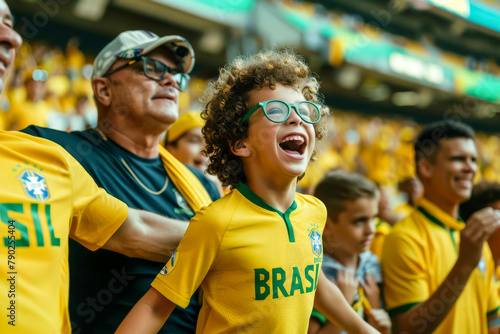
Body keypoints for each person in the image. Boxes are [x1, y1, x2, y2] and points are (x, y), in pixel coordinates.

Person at [116, 49, 379, 333]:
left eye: (304, 111)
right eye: (276, 111)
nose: (296, 119)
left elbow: (315, 284)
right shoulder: (216, 223)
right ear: (241, 143)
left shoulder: (315, 211)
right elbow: (156, 306)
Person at [0, 5, 190, 332]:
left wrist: (251, 236)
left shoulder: (38, 157)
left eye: (177, 74)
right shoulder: (57, 147)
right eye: (152, 67)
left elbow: (138, 230)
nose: (13, 37)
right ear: (103, 90)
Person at [381, 120, 500, 334]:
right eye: (458, 159)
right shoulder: (404, 238)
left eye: (473, 160)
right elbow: (409, 329)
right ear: (425, 167)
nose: (470, 168)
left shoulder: (474, 237)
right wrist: (464, 265)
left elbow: (491, 320)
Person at [309, 171, 391, 334]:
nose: (371, 230)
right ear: (325, 224)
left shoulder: (371, 263)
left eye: (374, 218)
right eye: (359, 221)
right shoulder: (317, 273)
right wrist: (343, 308)